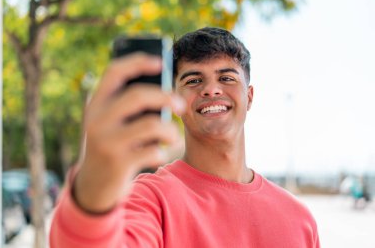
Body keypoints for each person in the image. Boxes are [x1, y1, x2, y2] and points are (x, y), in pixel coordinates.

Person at [50, 27, 320, 248]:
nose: (211, 90)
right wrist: (94, 190)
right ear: (174, 99)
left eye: (226, 78)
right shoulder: (150, 199)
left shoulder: (300, 219)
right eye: (193, 81)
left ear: (249, 97)